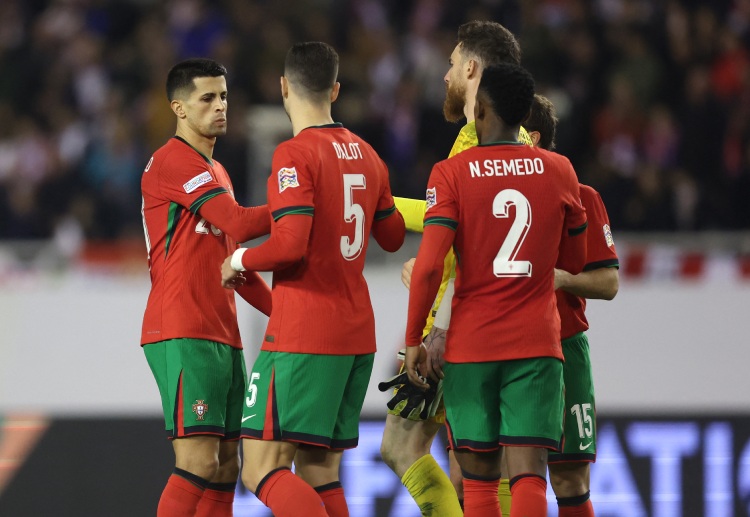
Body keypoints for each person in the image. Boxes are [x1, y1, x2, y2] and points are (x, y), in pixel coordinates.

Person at [220, 41, 405, 517]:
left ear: (283, 87)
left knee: (259, 469)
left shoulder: (294, 154)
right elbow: (391, 236)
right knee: (320, 471)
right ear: (336, 89)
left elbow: (289, 246)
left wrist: (239, 259)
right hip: (356, 333)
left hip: (305, 333)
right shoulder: (368, 154)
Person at [404, 63, 588, 517]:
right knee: (527, 474)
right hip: (537, 345)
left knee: (479, 482)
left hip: (472, 347)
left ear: (480, 108)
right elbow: (578, 262)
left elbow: (428, 267)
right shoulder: (561, 171)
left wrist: (415, 338)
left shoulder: (450, 173)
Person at [379, 20, 532, 516]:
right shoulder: (519, 142)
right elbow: (456, 220)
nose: (444, 75)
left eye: (450, 63)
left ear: (471, 67)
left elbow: (456, 240)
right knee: (485, 462)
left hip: (460, 326)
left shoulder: (472, 144)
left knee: (402, 447)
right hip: (512, 327)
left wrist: (428, 330)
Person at [140, 58, 274, 517]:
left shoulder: (218, 173)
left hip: (222, 332)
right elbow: (238, 221)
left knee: (222, 468)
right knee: (197, 460)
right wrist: (298, 201)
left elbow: (235, 264)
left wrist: (285, 316)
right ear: (178, 107)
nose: (221, 106)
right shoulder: (172, 161)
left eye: (223, 96)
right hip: (182, 326)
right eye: (207, 98)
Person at [524, 94, 620, 517]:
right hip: (508, 348)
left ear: (533, 137)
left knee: (568, 477)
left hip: (564, 348)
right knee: (503, 475)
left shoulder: (582, 195)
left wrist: (563, 279)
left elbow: (609, 282)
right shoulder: (490, 193)